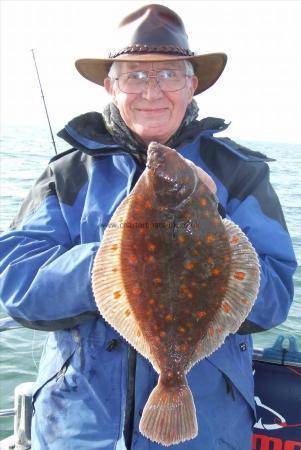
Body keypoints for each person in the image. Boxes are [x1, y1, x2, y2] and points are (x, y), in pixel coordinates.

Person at [0, 4, 297, 450]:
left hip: (208, 433)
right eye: (134, 75)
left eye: (169, 75)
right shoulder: (68, 174)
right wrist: (121, 258)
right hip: (77, 428)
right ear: (110, 86)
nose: (152, 90)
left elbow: (272, 300)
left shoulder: (240, 173)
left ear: (192, 84)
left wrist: (212, 224)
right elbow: (16, 288)